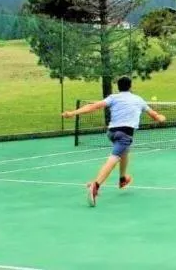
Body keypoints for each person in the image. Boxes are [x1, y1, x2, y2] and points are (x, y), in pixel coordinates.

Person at [61, 76, 166, 207]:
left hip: (111, 133)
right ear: (131, 86)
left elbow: (93, 106)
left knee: (125, 151)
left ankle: (122, 179)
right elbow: (155, 115)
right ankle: (96, 185)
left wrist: (72, 113)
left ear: (118, 87)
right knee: (113, 159)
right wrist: (161, 118)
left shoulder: (113, 97)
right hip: (125, 134)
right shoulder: (138, 100)